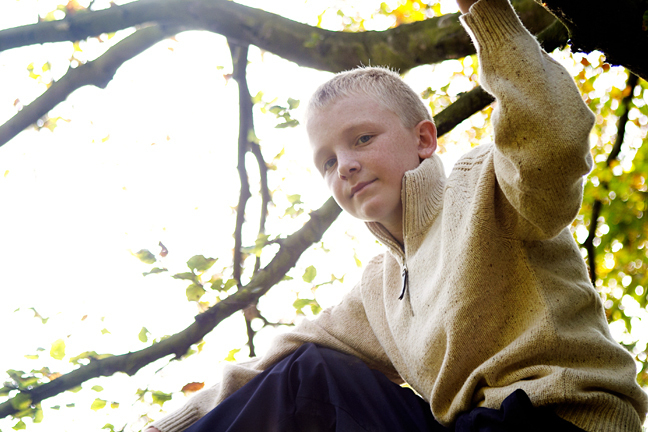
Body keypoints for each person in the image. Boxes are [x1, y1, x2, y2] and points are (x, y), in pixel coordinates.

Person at [146, 0, 648, 430]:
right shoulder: (377, 291)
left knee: (315, 378)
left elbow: (552, 141)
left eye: (362, 138)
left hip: (556, 419)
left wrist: (483, 13)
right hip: (466, 427)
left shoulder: (487, 182)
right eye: (327, 161)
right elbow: (266, 370)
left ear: (424, 139)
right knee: (302, 373)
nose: (346, 165)